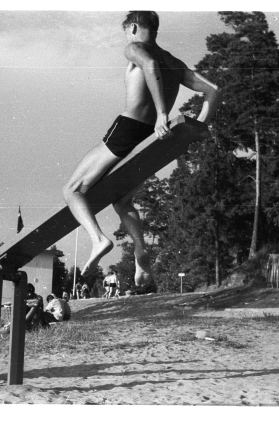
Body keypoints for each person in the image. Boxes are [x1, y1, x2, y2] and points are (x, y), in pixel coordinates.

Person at [62, 11, 221, 292]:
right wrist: (197, 128)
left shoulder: (135, 48)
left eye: (126, 31)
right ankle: (140, 252)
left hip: (130, 127)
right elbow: (214, 90)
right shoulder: (173, 61)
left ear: (133, 27)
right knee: (123, 201)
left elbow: (148, 65)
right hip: (155, 138)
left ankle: (98, 238)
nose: (125, 36)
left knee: (72, 189)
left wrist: (161, 112)